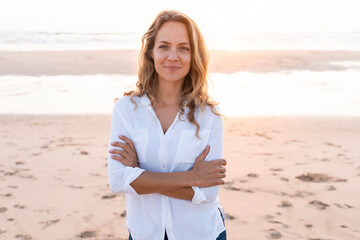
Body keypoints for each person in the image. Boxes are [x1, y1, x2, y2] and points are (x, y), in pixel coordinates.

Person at [107, 10, 227, 240]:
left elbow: (208, 192)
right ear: (151, 52)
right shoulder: (126, 109)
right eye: (164, 46)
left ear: (194, 56)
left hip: (200, 233)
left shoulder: (210, 115)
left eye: (183, 48)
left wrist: (139, 174)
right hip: (145, 233)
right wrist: (191, 177)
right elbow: (117, 181)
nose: (173, 56)